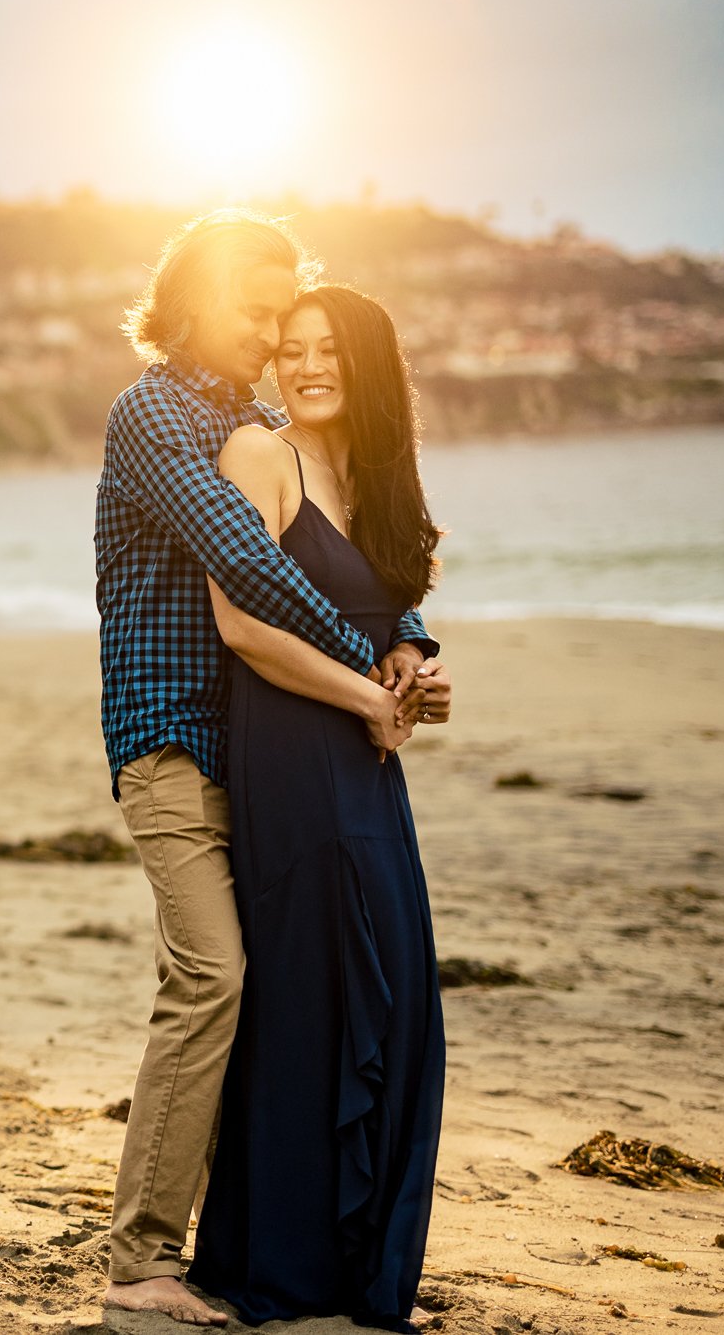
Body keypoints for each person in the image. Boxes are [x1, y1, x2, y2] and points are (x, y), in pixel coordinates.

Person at [93, 212, 447, 1328]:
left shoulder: (250, 419)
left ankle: (262, 1235)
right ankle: (139, 1255)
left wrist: (410, 638)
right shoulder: (152, 412)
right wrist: (367, 678)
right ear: (192, 298)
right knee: (212, 978)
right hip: (169, 741)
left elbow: (333, 543)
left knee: (285, 986)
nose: (269, 333)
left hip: (255, 749)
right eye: (254, 309)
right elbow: (248, 561)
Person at [187, 285, 450, 1331]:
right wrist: (369, 700)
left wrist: (413, 669)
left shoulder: (372, 474)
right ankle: (286, 1262)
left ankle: (360, 1259)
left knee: (393, 988)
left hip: (369, 760)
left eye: (327, 349)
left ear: (367, 362)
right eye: (290, 349)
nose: (304, 365)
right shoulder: (260, 455)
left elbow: (388, 616)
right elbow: (243, 627)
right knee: (309, 987)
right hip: (291, 753)